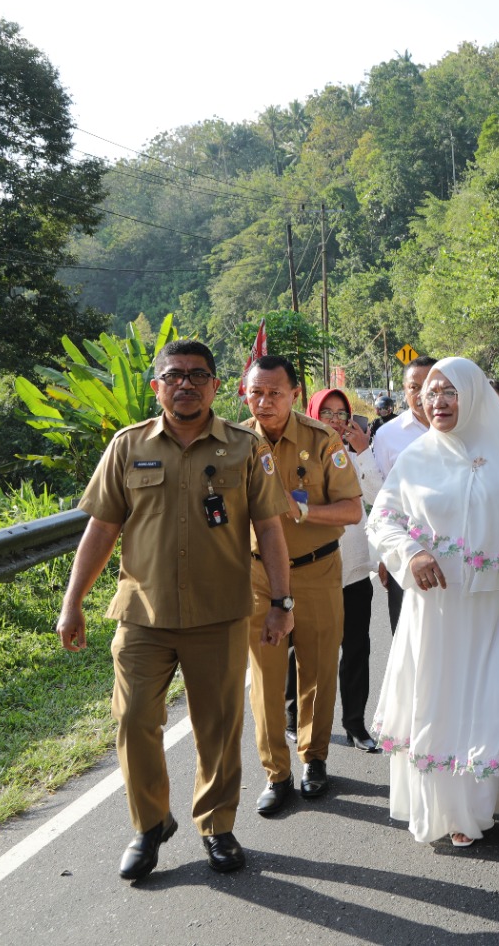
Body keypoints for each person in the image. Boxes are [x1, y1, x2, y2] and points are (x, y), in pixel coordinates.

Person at [56, 339, 291, 880]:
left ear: (214, 384)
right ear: (157, 384)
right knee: (135, 717)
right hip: (143, 614)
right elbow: (101, 529)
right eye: (174, 375)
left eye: (197, 375)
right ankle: (150, 824)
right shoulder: (126, 446)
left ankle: (217, 826)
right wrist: (73, 603)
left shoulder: (244, 448)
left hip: (220, 614)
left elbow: (270, 529)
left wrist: (281, 603)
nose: (185, 383)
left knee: (218, 727)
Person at [367, 357, 499, 845]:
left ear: (474, 395)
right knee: (446, 705)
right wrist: (411, 553)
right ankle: (455, 810)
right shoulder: (415, 458)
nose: (437, 400)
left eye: (449, 391)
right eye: (430, 392)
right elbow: (381, 519)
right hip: (438, 610)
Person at [242, 356, 363, 814]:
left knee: (316, 670)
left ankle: (314, 759)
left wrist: (305, 512)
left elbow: (352, 509)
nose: (265, 402)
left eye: (275, 392)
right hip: (257, 576)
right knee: (266, 680)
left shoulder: (321, 439)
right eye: (256, 393)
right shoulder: (234, 444)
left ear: (295, 393)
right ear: (244, 393)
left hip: (316, 572)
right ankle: (277, 773)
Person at [309, 387, 384, 753]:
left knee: (356, 650)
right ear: (312, 415)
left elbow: (379, 501)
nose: (337, 422)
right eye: (328, 414)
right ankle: (297, 720)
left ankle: (355, 723)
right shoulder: (301, 455)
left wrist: (364, 452)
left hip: (353, 572)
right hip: (311, 573)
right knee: (306, 653)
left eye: (342, 414)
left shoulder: (356, 458)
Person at [373, 355, 435, 633]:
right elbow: (382, 497)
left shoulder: (467, 431)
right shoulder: (388, 435)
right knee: (406, 634)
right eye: (414, 387)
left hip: (458, 554)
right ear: (404, 391)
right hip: (406, 553)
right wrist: (386, 554)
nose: (422, 394)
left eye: (431, 386)